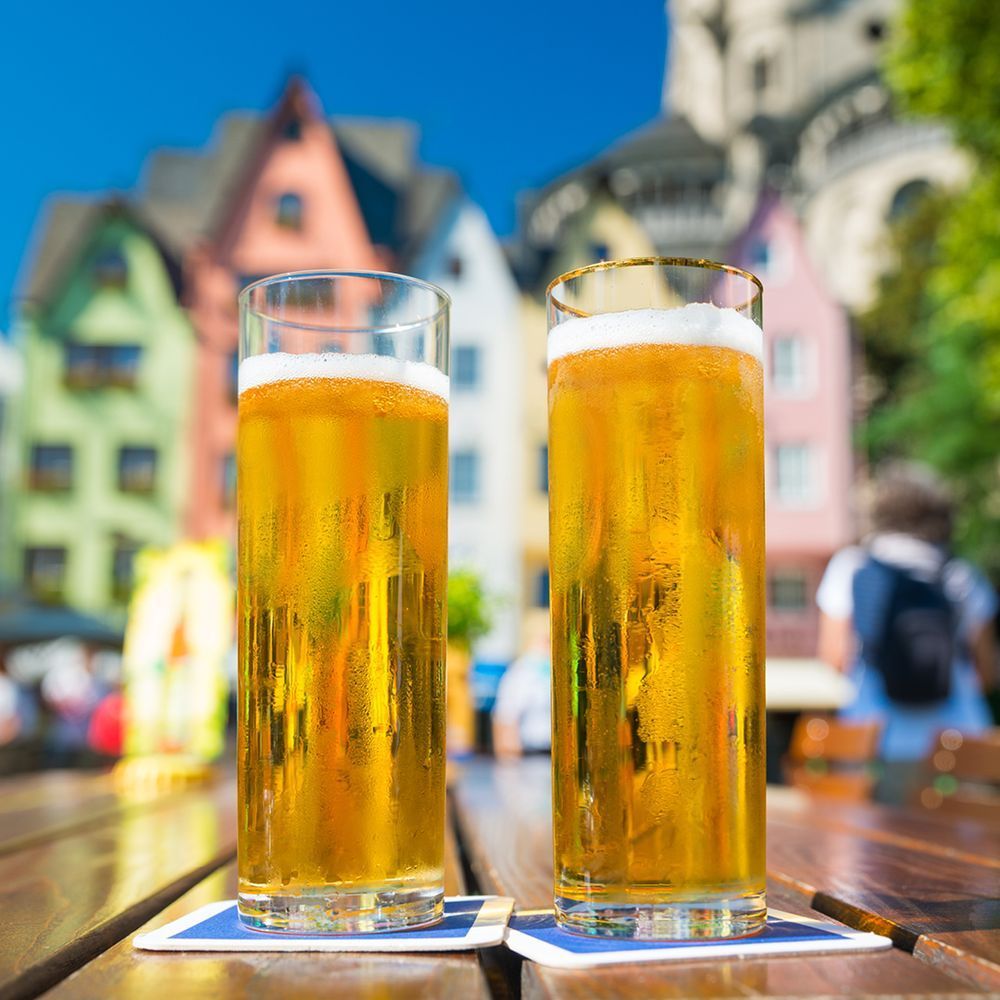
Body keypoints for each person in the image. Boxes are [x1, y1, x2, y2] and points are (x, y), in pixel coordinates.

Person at [816, 463, 998, 804]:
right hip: (958, 740)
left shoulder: (852, 566)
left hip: (874, 738)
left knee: (875, 837)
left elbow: (834, 657)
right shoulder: (961, 573)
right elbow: (985, 673)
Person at [492, 619, 551, 759]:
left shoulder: (552, 672)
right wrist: (508, 756)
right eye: (546, 641)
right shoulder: (522, 672)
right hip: (532, 752)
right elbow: (505, 715)